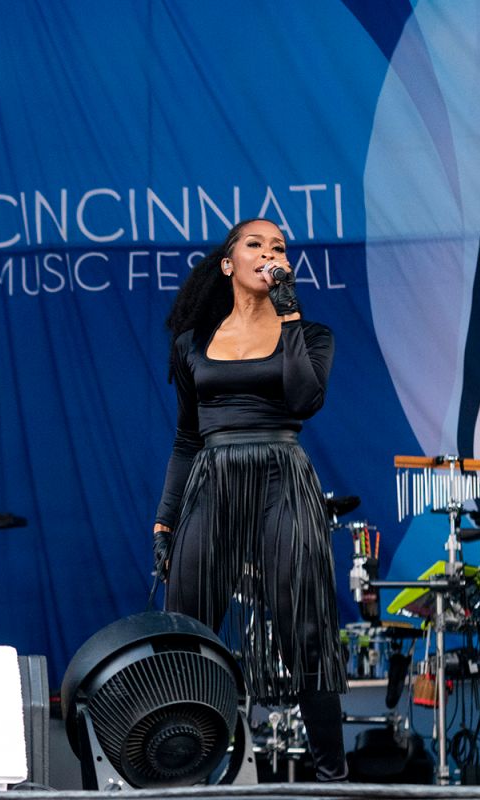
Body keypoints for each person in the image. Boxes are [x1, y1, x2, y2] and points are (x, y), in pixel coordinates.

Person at [152, 218, 348, 781]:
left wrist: (289, 310)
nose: (269, 252)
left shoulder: (311, 335)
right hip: (211, 480)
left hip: (281, 476)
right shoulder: (193, 343)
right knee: (186, 630)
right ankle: (181, 770)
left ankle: (334, 779)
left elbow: (306, 399)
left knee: (305, 626)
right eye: (255, 244)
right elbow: (188, 437)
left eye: (279, 246)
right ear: (228, 264)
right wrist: (166, 521)